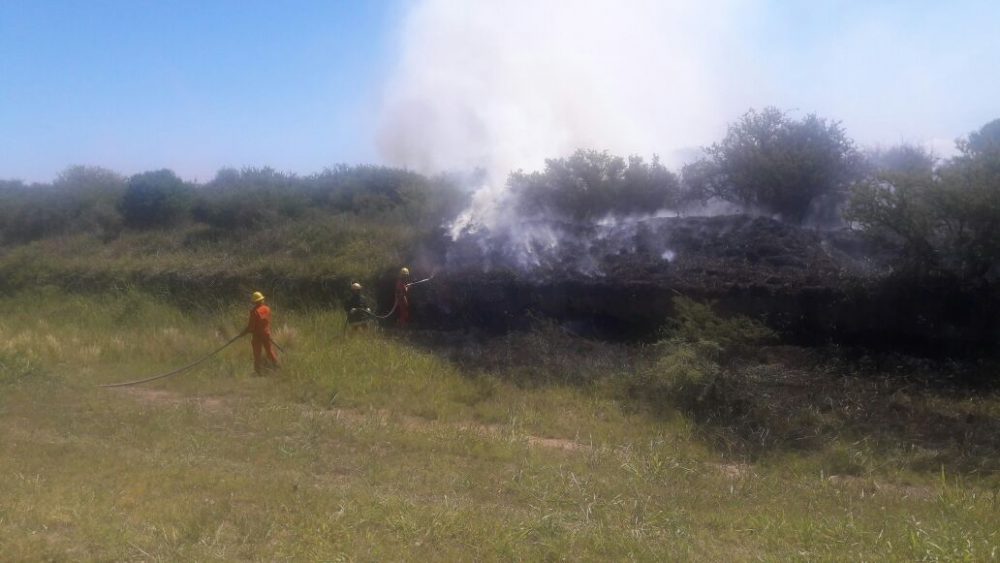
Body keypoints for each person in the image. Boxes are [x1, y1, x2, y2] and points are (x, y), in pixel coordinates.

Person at [241, 291, 279, 374]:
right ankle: (277, 367)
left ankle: (258, 371)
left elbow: (251, 327)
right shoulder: (267, 309)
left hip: (257, 336)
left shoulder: (254, 311)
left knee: (257, 353)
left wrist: (243, 333)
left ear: (254, 301)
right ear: (261, 300)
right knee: (270, 352)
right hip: (266, 334)